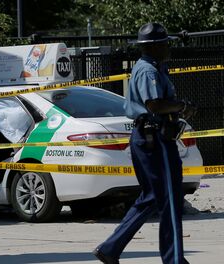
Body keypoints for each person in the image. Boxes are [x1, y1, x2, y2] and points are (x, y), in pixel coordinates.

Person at [92, 22, 197, 264]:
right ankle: (175, 260)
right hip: (155, 140)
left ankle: (110, 248)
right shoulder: (148, 71)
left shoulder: (157, 67)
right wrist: (181, 106)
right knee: (170, 201)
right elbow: (154, 105)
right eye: (165, 43)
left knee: (152, 197)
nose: (168, 47)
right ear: (154, 47)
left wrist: (179, 109)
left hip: (152, 138)